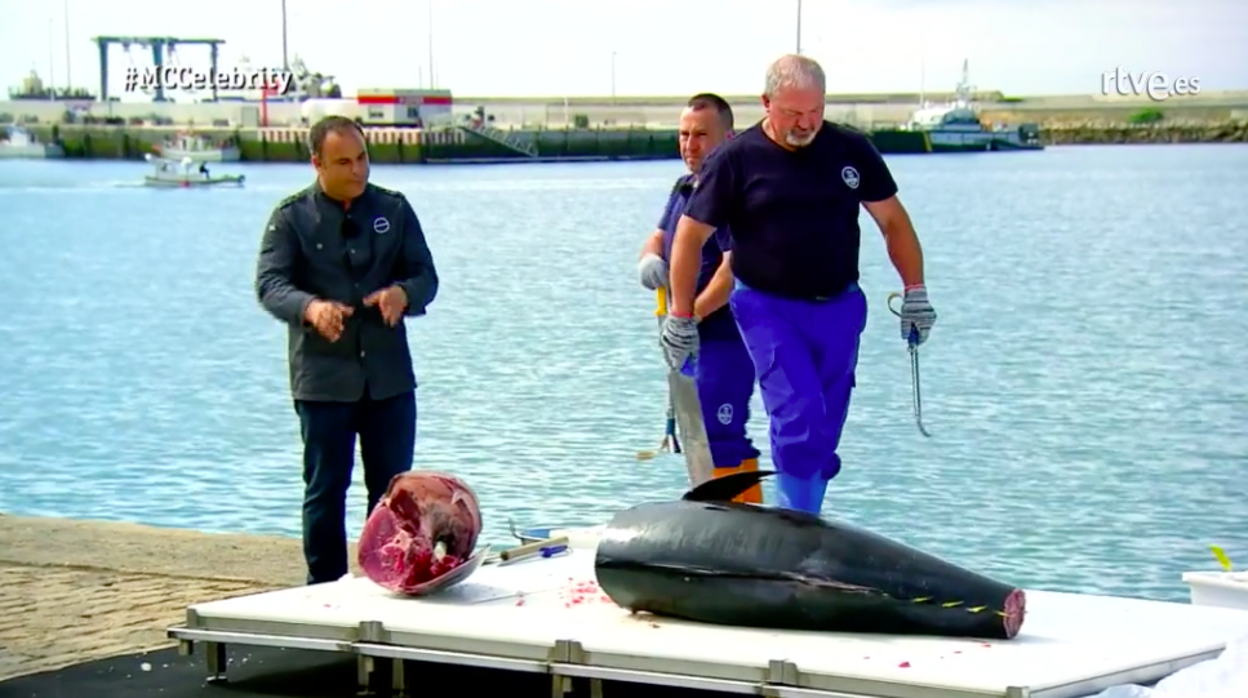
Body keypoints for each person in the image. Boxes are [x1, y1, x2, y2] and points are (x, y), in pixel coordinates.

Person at [660, 55, 938, 515]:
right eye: (793, 113)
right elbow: (689, 237)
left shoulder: (850, 149)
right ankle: (797, 523)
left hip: (840, 307)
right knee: (799, 415)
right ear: (767, 103)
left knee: (824, 426)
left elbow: (893, 223)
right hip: (766, 308)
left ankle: (804, 520)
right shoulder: (735, 159)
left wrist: (916, 292)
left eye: (815, 111)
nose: (806, 123)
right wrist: (682, 316)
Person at [254, 115, 439, 584]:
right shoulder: (291, 217)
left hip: (388, 379)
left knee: (394, 493)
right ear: (317, 163)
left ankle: (392, 579)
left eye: (362, 158)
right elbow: (271, 285)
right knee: (325, 490)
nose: (358, 170)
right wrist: (311, 308)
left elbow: (425, 276)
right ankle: (325, 588)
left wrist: (404, 294)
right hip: (323, 380)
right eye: (344, 161)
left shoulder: (394, 210)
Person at [637, 93, 763, 504]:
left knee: (719, 433)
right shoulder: (685, 187)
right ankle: (721, 522)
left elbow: (732, 271)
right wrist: (651, 257)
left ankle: (739, 533)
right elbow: (659, 235)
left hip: (726, 338)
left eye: (700, 136)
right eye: (684, 134)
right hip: (688, 337)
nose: (689, 144)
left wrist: (688, 316)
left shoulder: (731, 195)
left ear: (727, 138)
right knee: (697, 434)